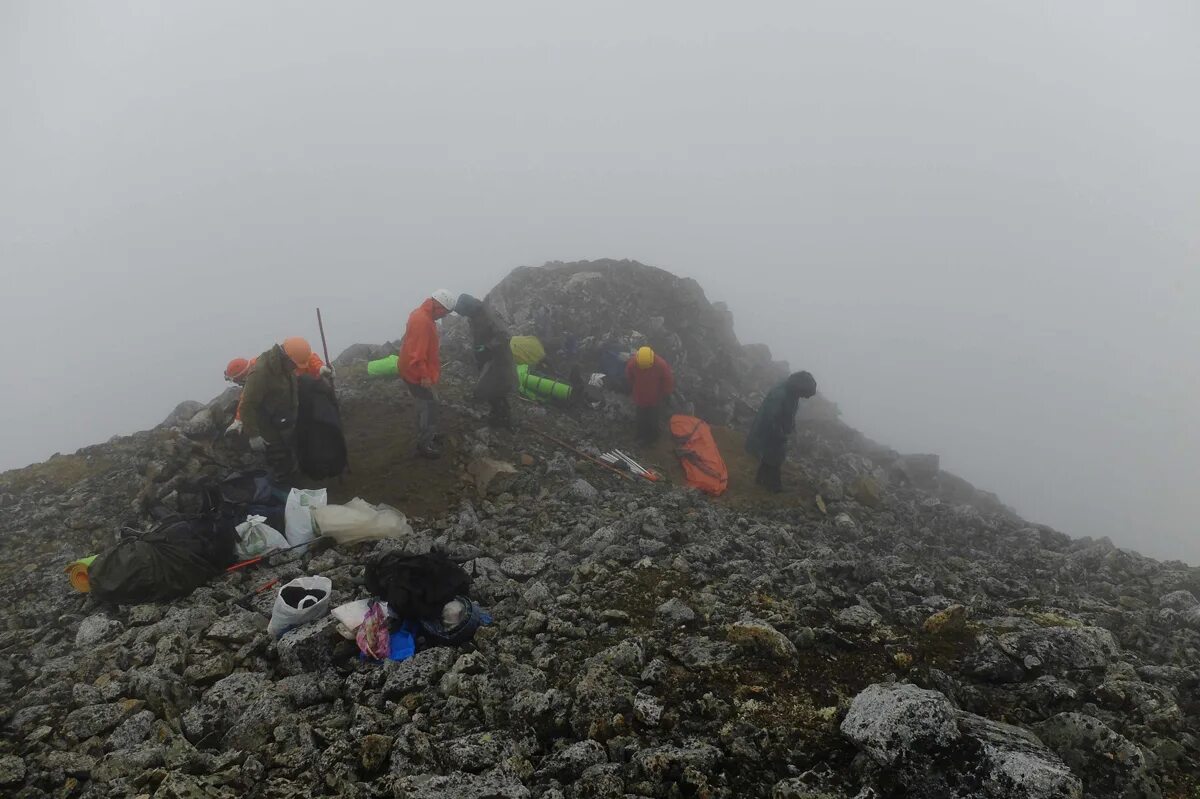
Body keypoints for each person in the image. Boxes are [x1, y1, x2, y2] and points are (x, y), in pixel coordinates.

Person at [238, 337, 321, 482]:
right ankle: (285, 489)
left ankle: (297, 478)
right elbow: (247, 404)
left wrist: (321, 369)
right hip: (270, 429)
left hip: (285, 421)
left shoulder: (285, 365)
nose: (296, 368)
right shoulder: (261, 373)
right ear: (286, 357)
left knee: (294, 453)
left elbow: (308, 359)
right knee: (280, 463)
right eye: (294, 364)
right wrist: (253, 435)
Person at [399, 289, 457, 458]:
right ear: (438, 306)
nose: (444, 317)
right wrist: (424, 375)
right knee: (429, 406)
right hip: (416, 372)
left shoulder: (420, 314)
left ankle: (427, 435)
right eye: (445, 313)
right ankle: (424, 444)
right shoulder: (423, 321)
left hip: (411, 369)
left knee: (425, 404)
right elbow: (417, 355)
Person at [223, 347, 330, 436]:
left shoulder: (257, 374)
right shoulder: (264, 362)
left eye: (236, 381)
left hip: (307, 390)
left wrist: (319, 367)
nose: (237, 384)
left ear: (240, 377)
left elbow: (246, 400)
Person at [745, 371, 817, 493]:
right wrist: (779, 433)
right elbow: (769, 417)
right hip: (768, 430)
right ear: (800, 388)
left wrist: (791, 428)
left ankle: (761, 480)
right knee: (775, 457)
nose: (804, 397)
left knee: (772, 456)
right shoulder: (780, 394)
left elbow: (790, 413)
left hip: (777, 430)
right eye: (805, 394)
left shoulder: (792, 392)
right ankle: (774, 486)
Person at [455, 294, 517, 429]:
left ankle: (504, 420)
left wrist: (488, 347)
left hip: (498, 359)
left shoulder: (488, 315)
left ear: (469, 307)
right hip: (487, 358)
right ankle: (499, 417)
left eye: (465, 312)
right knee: (493, 389)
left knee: (496, 388)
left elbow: (505, 335)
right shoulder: (474, 316)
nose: (466, 315)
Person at [625, 346, 675, 444]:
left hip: (654, 397)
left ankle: (652, 438)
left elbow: (668, 380)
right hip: (641, 396)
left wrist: (666, 393)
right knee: (640, 417)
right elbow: (629, 376)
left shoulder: (661, 364)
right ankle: (640, 435)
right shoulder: (633, 363)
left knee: (653, 419)